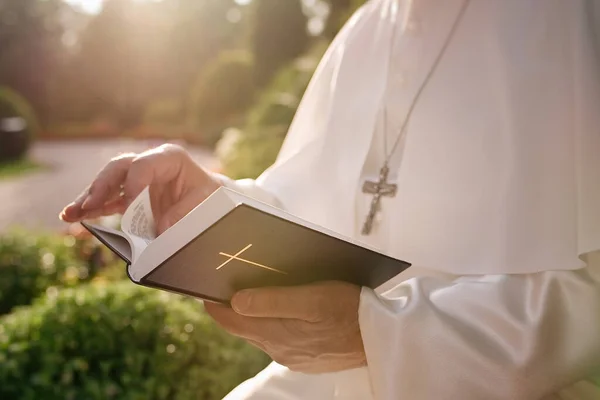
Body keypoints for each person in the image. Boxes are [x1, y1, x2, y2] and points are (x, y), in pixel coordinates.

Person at [60, 0, 600, 398]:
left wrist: (384, 336)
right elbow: (313, 214)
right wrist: (209, 205)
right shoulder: (365, 29)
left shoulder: (570, 20)